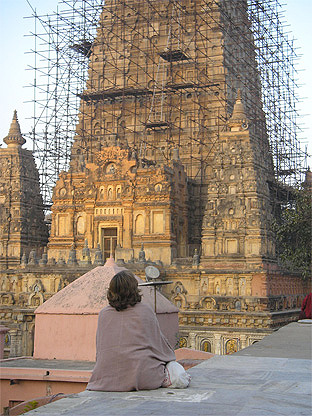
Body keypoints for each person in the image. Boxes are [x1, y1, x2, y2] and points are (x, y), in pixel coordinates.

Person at [87, 270, 190, 391]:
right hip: (142, 378)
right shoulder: (145, 311)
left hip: (105, 378)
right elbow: (162, 350)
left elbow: (100, 351)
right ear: (135, 289)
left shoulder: (104, 314)